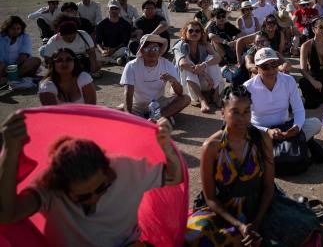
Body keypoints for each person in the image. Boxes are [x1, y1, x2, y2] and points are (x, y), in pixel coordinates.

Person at [0, 113, 182, 246]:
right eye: (82, 197)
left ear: (107, 167)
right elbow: (7, 214)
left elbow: (175, 177)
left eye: (102, 188)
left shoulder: (125, 169)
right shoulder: (48, 188)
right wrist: (10, 151)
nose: (93, 198)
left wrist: (166, 148)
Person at [185, 85, 319, 246]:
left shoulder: (261, 139)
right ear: (223, 113)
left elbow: (269, 187)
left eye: (247, 111)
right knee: (193, 236)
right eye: (235, 112)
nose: (242, 119)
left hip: (260, 206)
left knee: (295, 228)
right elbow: (211, 199)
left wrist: (256, 223)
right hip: (224, 211)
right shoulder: (211, 147)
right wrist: (239, 226)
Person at [243, 48, 323, 163]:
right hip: (261, 131)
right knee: (245, 137)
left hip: (285, 129)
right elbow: (245, 121)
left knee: (316, 123)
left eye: (274, 64)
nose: (271, 70)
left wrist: (296, 127)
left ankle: (279, 147)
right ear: (257, 69)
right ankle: (297, 143)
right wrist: (267, 131)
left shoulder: (288, 80)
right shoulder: (248, 87)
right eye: (265, 67)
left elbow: (298, 109)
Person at [120, 34, 190, 123]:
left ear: (159, 50)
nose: (152, 52)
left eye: (155, 49)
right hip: (137, 106)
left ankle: (155, 118)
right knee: (118, 110)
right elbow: (128, 93)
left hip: (158, 104)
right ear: (141, 50)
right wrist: (128, 115)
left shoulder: (167, 64)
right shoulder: (132, 66)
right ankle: (161, 118)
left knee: (185, 99)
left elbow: (179, 92)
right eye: (147, 49)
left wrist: (173, 81)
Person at [173, 21, 223, 114]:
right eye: (190, 31)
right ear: (185, 33)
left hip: (204, 82)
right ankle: (202, 99)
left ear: (201, 33)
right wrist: (203, 73)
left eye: (197, 31)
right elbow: (182, 64)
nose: (194, 33)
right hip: (186, 84)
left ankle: (216, 96)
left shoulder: (205, 44)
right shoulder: (180, 45)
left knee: (211, 58)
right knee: (188, 62)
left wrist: (204, 65)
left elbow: (218, 58)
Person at [299, 17, 323, 109]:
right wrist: (313, 81)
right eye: (321, 27)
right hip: (315, 78)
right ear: (313, 29)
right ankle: (322, 97)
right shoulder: (306, 46)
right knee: (303, 82)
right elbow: (303, 70)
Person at [95, 0, 131, 66]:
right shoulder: (101, 24)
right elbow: (98, 42)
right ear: (108, 10)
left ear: (119, 10)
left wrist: (114, 50)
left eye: (116, 9)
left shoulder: (125, 24)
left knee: (126, 50)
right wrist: (102, 51)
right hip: (106, 50)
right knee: (94, 52)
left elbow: (125, 42)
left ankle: (108, 60)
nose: (114, 11)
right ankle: (115, 61)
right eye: (112, 8)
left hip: (119, 49)